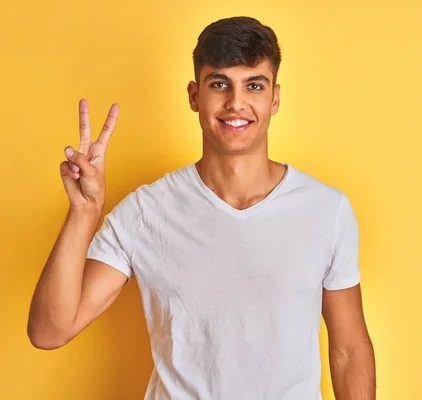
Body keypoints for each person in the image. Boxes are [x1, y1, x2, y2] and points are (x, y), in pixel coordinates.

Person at [27, 16, 375, 400]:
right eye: (219, 84)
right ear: (194, 95)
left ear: (274, 98)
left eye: (254, 85)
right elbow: (49, 330)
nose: (236, 103)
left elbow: (349, 350)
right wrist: (84, 211)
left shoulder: (326, 210)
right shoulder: (145, 212)